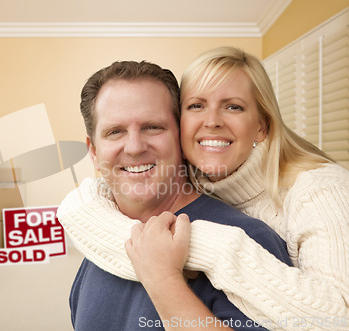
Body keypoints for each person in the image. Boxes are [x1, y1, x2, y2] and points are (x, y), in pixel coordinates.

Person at [57, 47, 349, 330]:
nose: (134, 147)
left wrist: (174, 270)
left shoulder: (269, 225)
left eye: (152, 127)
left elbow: (337, 319)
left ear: (178, 135)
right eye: (115, 131)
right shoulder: (101, 235)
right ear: (93, 151)